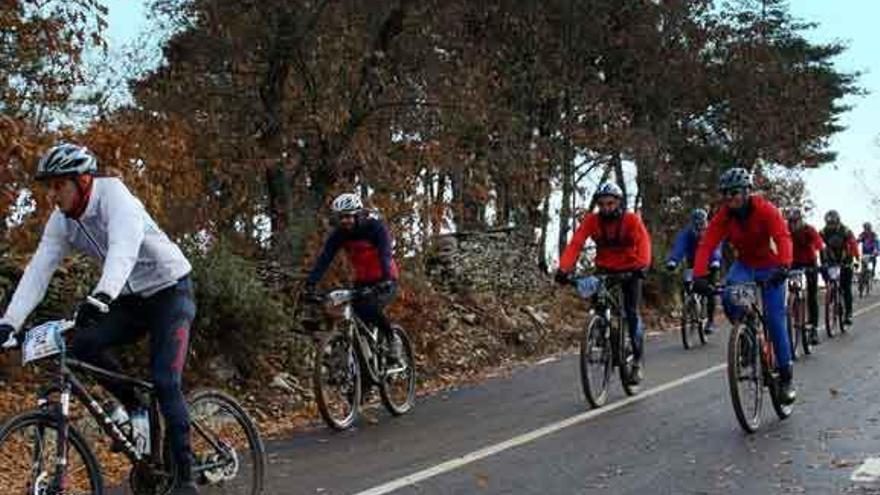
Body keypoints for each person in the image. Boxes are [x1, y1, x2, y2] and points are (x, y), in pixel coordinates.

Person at [0, 144, 199, 495]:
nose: (52, 194)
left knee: (166, 381)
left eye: (59, 185)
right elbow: (38, 272)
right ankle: (134, 401)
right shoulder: (62, 222)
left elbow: (124, 248)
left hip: (170, 291)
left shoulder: (115, 198)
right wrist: (9, 323)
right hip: (130, 299)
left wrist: (103, 294)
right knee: (84, 344)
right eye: (50, 186)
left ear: (83, 180)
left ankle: (186, 477)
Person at [692, 167, 795, 404]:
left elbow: (782, 237)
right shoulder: (724, 216)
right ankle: (747, 336)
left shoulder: (766, 210)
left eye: (735, 193)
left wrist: (784, 265)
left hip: (771, 266)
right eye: (726, 194)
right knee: (728, 296)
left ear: (747, 191)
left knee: (774, 319)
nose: (731, 198)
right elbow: (706, 245)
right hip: (745, 265)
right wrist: (699, 275)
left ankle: (786, 376)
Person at [555, 182, 652, 384]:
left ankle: (636, 361)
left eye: (610, 203)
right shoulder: (593, 221)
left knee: (631, 312)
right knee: (599, 304)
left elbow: (644, 243)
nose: (606, 208)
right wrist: (564, 269)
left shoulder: (631, 220)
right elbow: (576, 243)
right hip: (605, 269)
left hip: (631, 270)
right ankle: (601, 332)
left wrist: (642, 266)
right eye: (602, 204)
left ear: (619, 203)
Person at [305, 193, 402, 362]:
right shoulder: (339, 234)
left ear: (358, 214)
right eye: (341, 217)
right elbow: (325, 258)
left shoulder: (375, 228)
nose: (345, 221)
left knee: (369, 308)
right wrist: (311, 283)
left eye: (349, 216)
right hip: (362, 281)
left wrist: (386, 279)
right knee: (353, 317)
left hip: (386, 279)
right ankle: (364, 374)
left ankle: (392, 338)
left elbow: (385, 254)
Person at [665, 208, 723, 334]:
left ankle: (710, 321)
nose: (700, 228)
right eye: (697, 225)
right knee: (688, 284)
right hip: (693, 263)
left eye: (702, 224)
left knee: (710, 290)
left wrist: (715, 260)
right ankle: (690, 308)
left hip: (710, 262)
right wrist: (673, 261)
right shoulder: (686, 233)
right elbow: (679, 247)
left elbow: (716, 247)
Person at [786, 207, 824, 345]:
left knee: (812, 294)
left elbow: (820, 245)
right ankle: (792, 310)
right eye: (790, 222)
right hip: (793, 262)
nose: (793, 224)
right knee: (790, 289)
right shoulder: (786, 230)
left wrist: (821, 264)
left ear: (801, 220)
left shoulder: (809, 230)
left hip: (810, 262)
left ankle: (813, 328)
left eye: (795, 221)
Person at [820, 210, 859, 326]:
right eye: (829, 224)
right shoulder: (823, 232)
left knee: (846, 287)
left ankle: (849, 313)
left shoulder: (846, 231)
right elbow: (816, 243)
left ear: (838, 222)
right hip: (831, 260)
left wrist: (856, 259)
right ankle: (831, 291)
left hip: (845, 260)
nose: (831, 226)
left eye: (833, 223)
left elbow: (853, 244)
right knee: (827, 276)